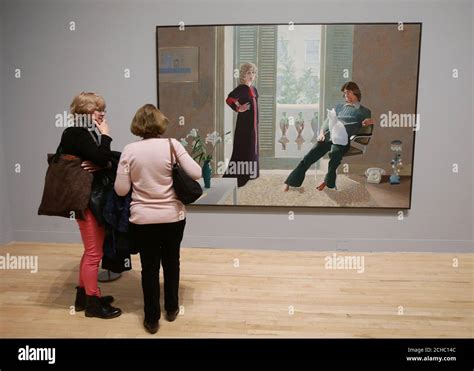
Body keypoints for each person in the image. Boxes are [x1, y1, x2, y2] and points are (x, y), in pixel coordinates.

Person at [114, 104, 201, 334]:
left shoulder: (129, 150)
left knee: (149, 268)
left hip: (143, 221)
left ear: (137, 126)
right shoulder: (172, 145)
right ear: (160, 123)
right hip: (172, 218)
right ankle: (171, 308)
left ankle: (152, 318)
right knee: (172, 262)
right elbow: (197, 173)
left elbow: (121, 190)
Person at [60, 92, 122, 319]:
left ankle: (83, 295)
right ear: (85, 111)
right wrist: (106, 135)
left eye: (102, 109)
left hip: (88, 200)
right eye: (98, 109)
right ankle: (93, 304)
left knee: (90, 251)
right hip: (87, 201)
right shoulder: (78, 133)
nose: (102, 113)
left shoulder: (80, 133)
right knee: (94, 253)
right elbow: (101, 157)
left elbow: (102, 160)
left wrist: (102, 161)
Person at [283, 81, 374, 192]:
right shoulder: (339, 107)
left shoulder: (364, 111)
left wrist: (368, 122)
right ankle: (290, 182)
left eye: (348, 92)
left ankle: (328, 182)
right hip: (328, 136)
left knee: (335, 155)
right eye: (345, 93)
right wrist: (321, 133)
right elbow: (327, 121)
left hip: (343, 140)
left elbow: (368, 122)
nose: (346, 95)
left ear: (355, 92)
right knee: (309, 157)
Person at [222, 62, 260, 187]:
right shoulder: (241, 88)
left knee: (252, 148)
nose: (251, 75)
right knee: (244, 148)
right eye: (249, 73)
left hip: (254, 125)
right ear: (243, 75)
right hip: (244, 126)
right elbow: (230, 99)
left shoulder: (253, 89)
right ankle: (240, 177)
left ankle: (250, 173)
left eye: (253, 73)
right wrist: (239, 108)